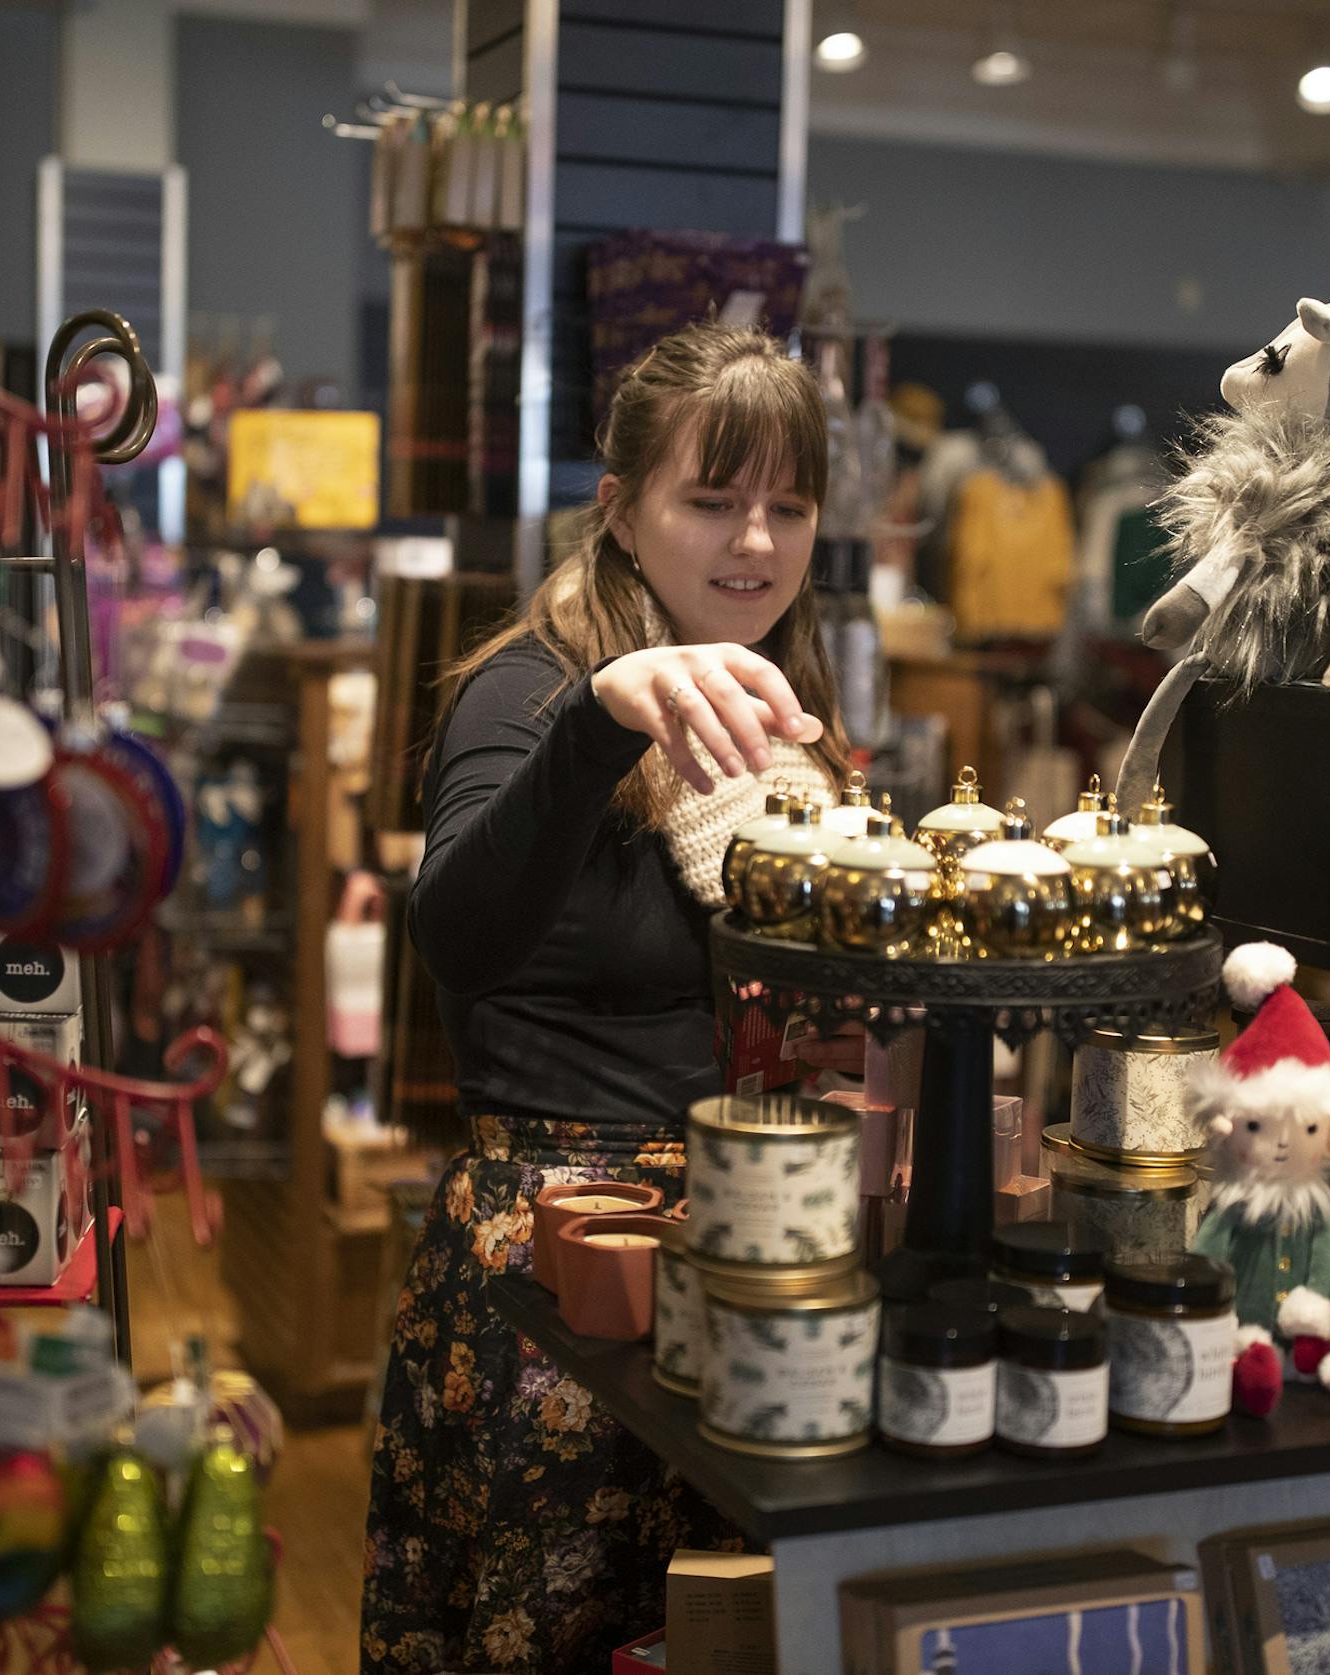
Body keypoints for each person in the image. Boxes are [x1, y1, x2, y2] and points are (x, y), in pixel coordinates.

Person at [360, 322, 849, 1674]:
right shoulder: (532, 690)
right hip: (562, 1279)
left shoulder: (778, 713)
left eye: (788, 507)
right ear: (619, 511)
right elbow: (458, 934)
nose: (754, 540)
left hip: (741, 1255)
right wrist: (600, 721)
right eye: (711, 499)